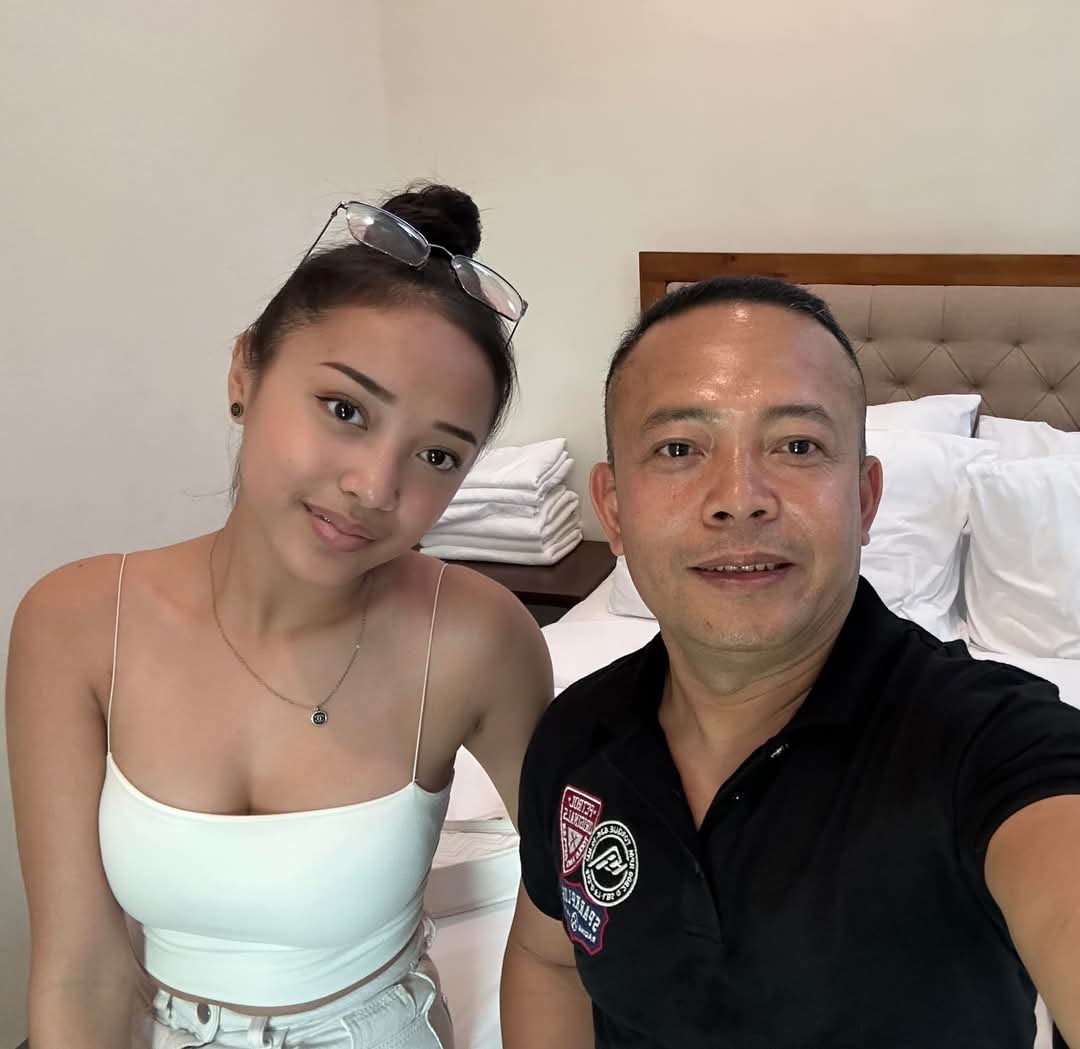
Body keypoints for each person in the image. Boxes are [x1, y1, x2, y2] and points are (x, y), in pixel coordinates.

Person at [7, 183, 552, 1049]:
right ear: (245, 370)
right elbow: (79, 969)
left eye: (437, 454)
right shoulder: (73, 624)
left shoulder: (479, 639)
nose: (375, 487)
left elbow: (571, 917)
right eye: (346, 410)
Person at [501, 276, 1080, 1048]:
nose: (740, 498)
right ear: (612, 508)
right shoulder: (575, 733)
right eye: (679, 448)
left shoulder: (994, 746)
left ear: (865, 499)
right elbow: (549, 957)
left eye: (797, 445)